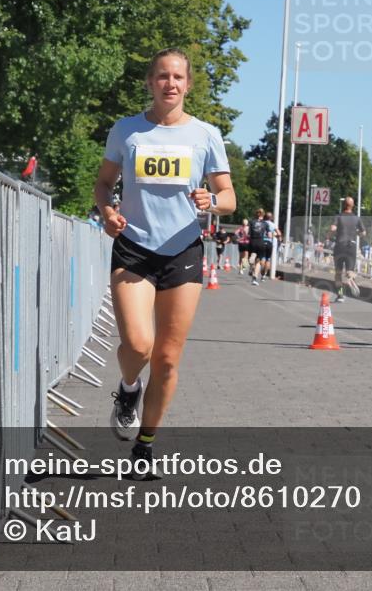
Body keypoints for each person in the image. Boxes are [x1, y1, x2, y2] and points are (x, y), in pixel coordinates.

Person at [94, 48, 235, 476]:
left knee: (168, 359)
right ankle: (128, 389)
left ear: (188, 85)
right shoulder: (127, 131)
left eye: (177, 77)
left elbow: (228, 198)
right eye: (162, 76)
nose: (170, 83)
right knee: (138, 345)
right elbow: (103, 183)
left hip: (183, 251)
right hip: (135, 246)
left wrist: (213, 201)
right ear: (150, 83)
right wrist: (107, 212)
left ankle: (145, 445)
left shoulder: (206, 135)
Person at [329, 197, 365, 302]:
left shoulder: (338, 216)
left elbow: (332, 228)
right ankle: (350, 279)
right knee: (349, 271)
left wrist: (331, 234)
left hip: (340, 245)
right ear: (352, 206)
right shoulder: (357, 218)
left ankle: (340, 295)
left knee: (338, 273)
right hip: (351, 246)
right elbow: (363, 233)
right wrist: (357, 233)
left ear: (343, 205)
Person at [248, 208, 270, 284]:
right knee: (258, 261)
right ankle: (255, 278)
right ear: (263, 215)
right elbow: (269, 235)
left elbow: (248, 233)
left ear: (256, 214)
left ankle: (251, 264)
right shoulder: (265, 224)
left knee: (252, 256)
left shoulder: (251, 222)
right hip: (261, 242)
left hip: (252, 241)